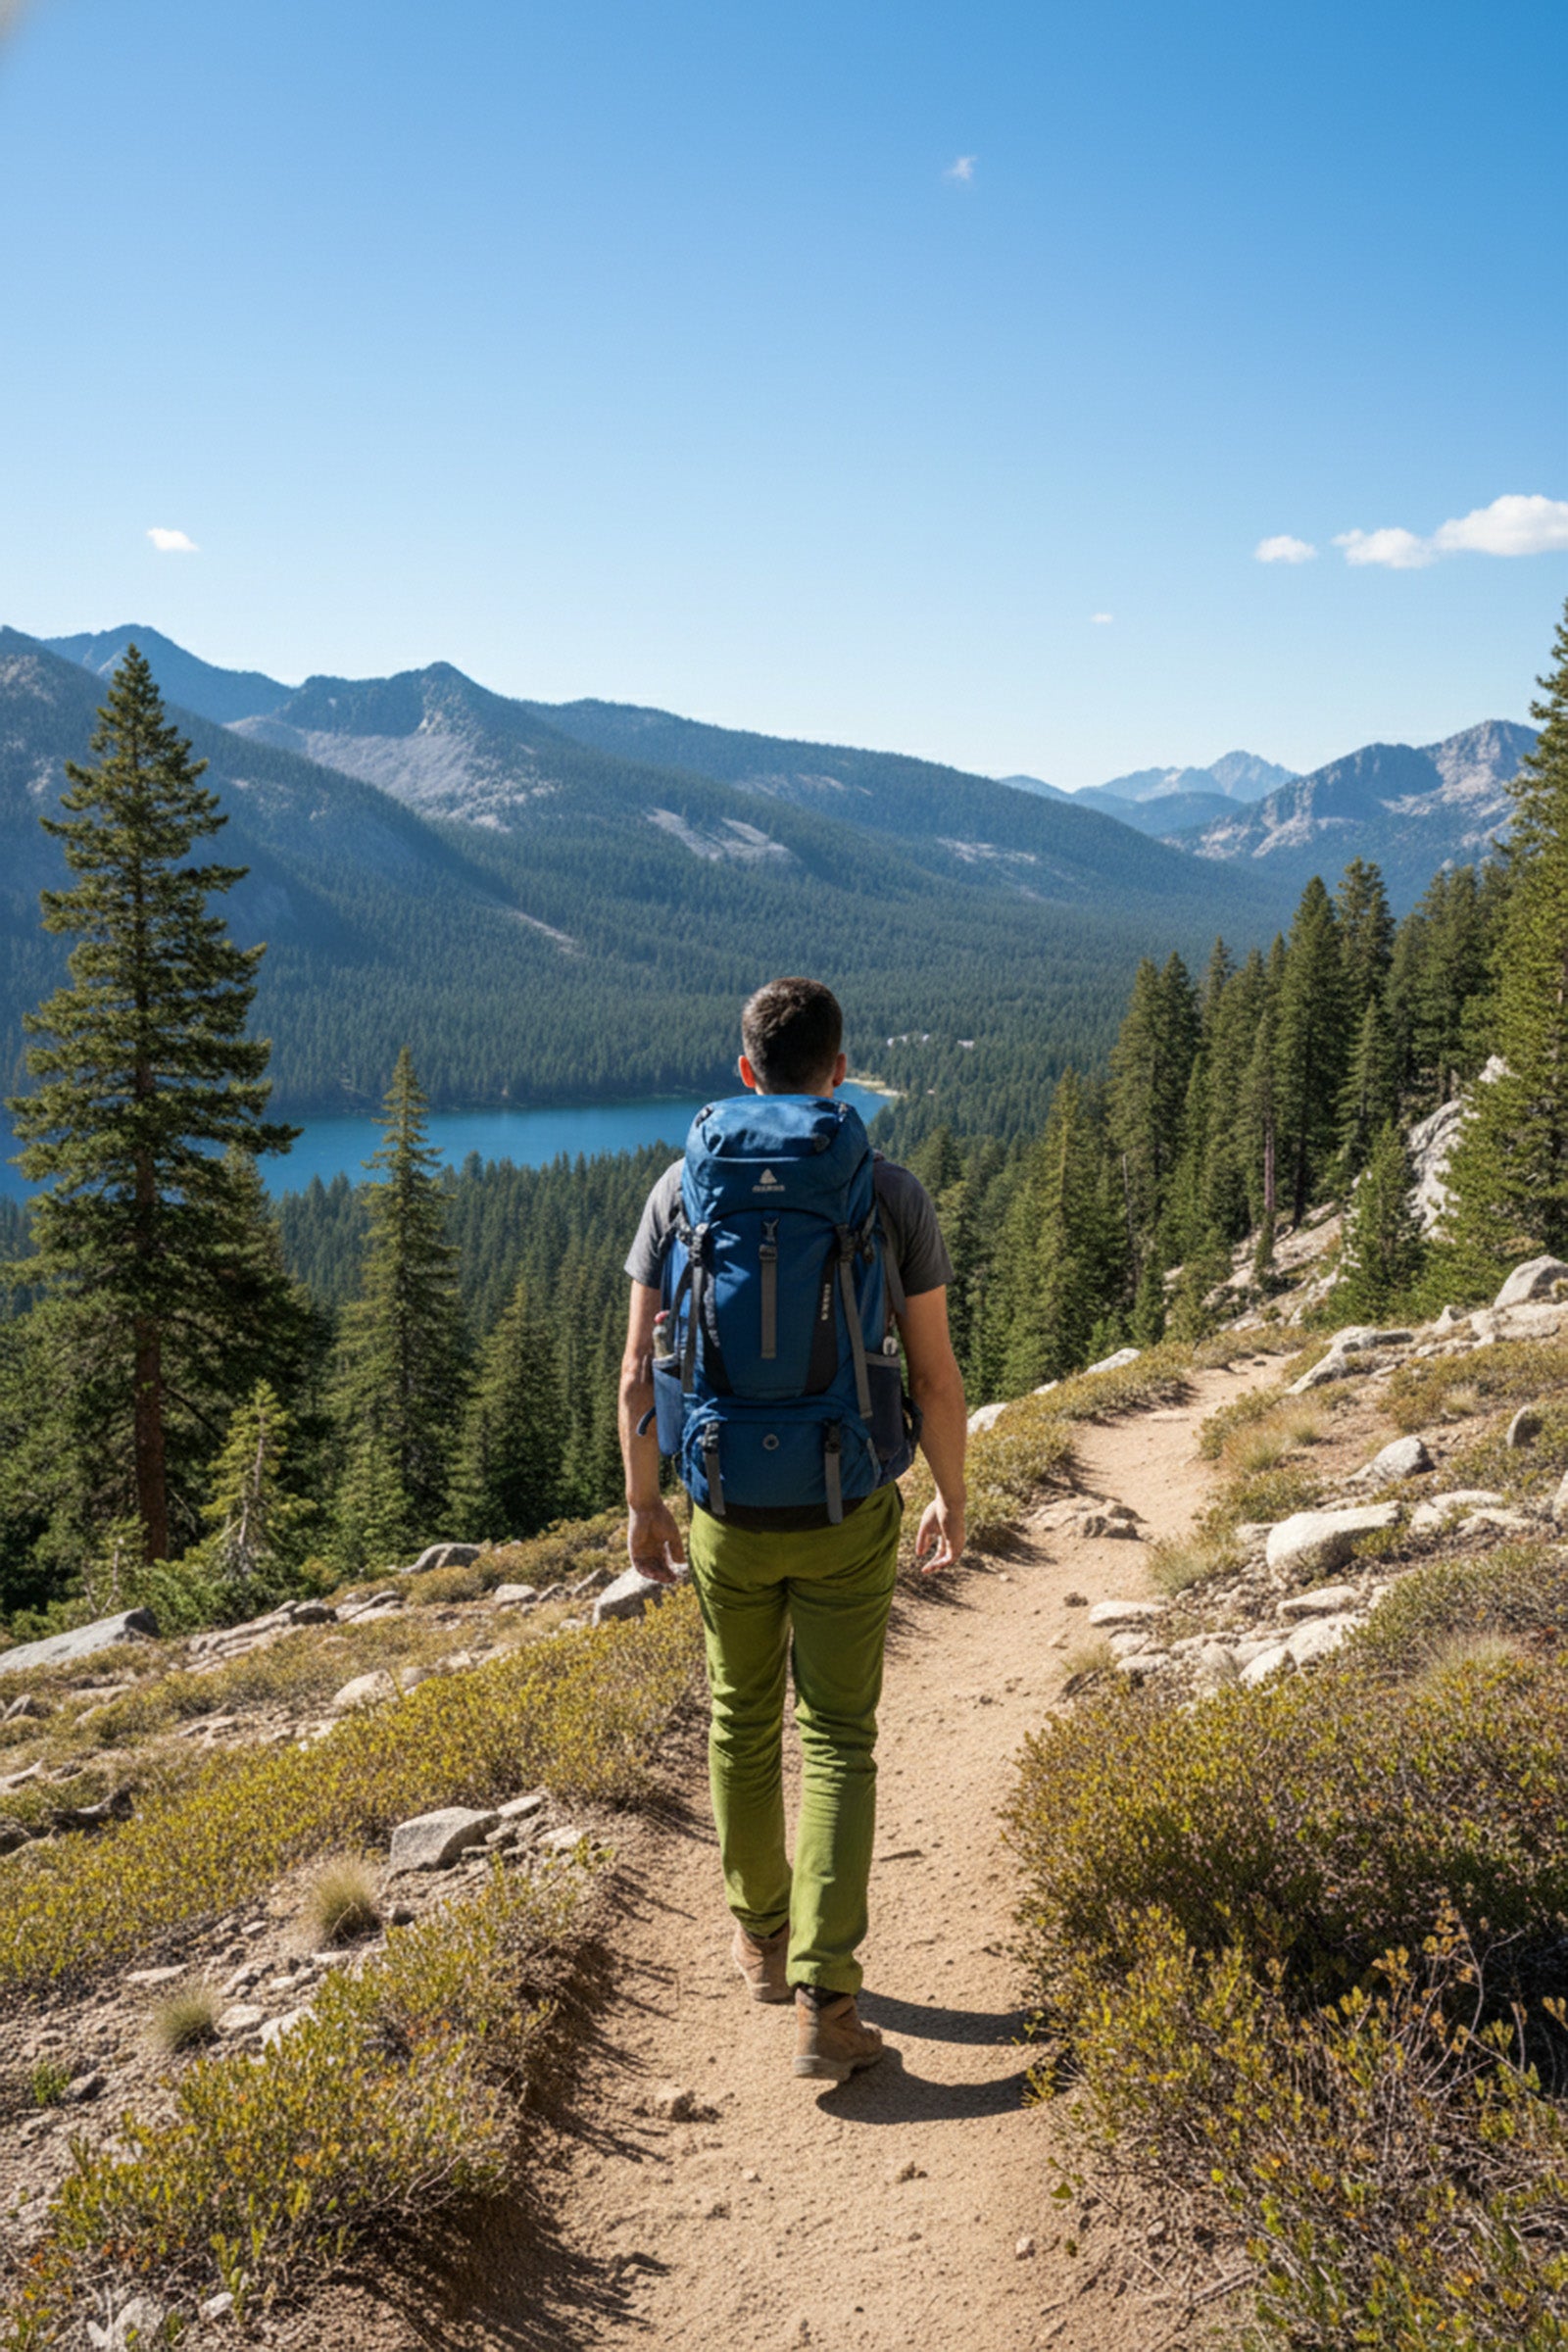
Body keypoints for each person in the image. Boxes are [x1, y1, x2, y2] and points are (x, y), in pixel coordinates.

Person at [618, 976, 967, 2082]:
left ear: (744, 1071)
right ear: (838, 1070)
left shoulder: (681, 1190)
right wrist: (957, 1497)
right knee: (838, 1736)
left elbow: (636, 1371)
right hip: (849, 1501)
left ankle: (758, 1938)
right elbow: (935, 1377)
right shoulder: (886, 1190)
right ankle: (828, 1996)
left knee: (739, 1720)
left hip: (723, 1502)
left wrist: (643, 1504)